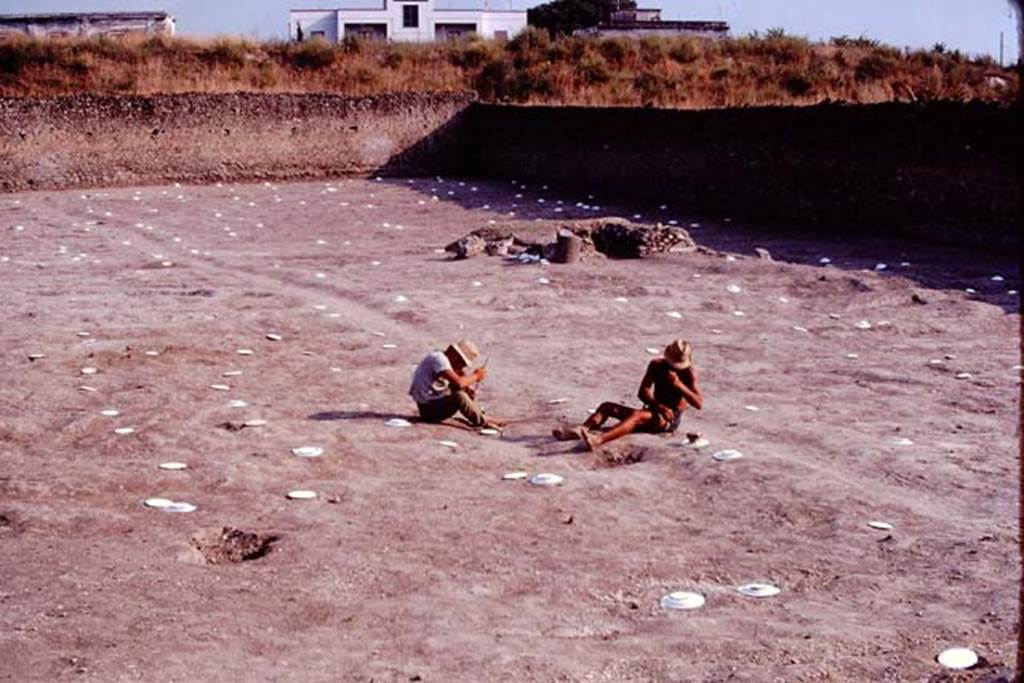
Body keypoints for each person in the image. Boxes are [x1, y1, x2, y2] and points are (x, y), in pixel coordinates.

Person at [554, 339, 703, 450]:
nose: (673, 368)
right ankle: (582, 429)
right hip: (654, 410)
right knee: (607, 407)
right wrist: (659, 406)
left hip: (668, 419)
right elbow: (643, 392)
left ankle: (598, 440)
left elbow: (698, 403)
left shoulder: (688, 374)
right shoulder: (656, 365)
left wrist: (678, 384)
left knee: (637, 416)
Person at [409, 339, 502, 429]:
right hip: (428, 409)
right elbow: (459, 383)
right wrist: (476, 376)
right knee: (459, 397)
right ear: (453, 352)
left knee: (463, 392)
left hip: (431, 404)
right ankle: (482, 421)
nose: (460, 366)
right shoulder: (439, 359)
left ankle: (480, 413)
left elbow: (455, 385)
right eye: (460, 362)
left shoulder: (442, 360)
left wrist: (467, 390)